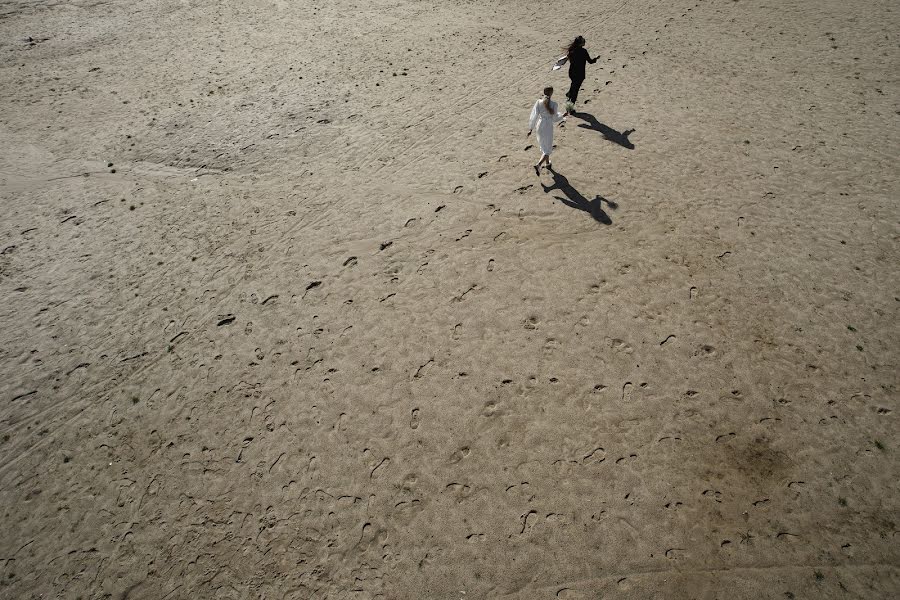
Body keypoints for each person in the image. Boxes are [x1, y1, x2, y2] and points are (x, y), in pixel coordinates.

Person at [527, 86, 567, 174]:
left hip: (539, 125)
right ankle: (538, 165)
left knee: (545, 146)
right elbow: (555, 119)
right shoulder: (554, 104)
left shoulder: (538, 102)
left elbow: (534, 116)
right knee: (548, 149)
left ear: (544, 92)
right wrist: (563, 116)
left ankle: (548, 163)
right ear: (552, 93)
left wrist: (530, 129)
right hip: (548, 127)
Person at [565, 36, 599, 111]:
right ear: (581, 44)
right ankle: (570, 108)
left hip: (572, 72)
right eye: (584, 41)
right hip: (579, 73)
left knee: (573, 85)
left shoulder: (572, 50)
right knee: (575, 91)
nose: (585, 42)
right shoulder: (583, 51)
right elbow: (590, 61)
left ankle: (569, 93)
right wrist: (596, 59)